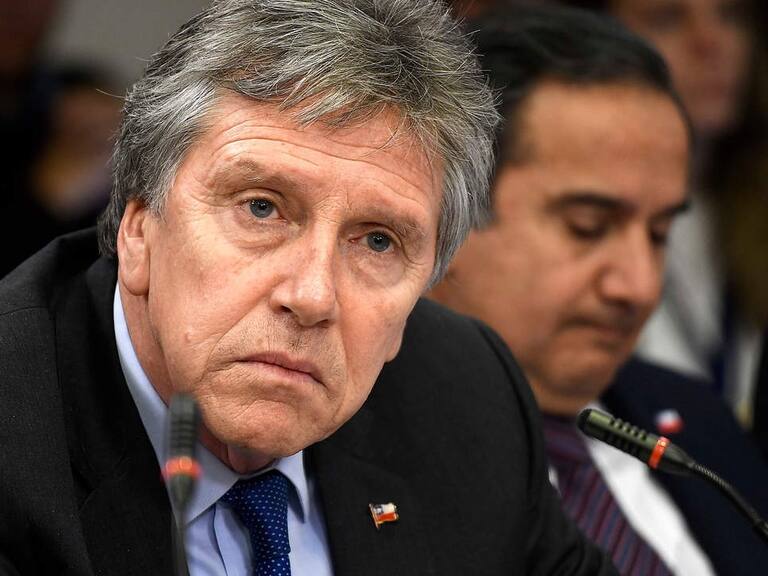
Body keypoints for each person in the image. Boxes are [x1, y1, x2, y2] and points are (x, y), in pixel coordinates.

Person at [0, 1, 616, 575]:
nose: (314, 296)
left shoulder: (465, 405)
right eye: (261, 208)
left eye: (378, 242)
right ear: (139, 231)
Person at [429, 5, 768, 575]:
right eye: (588, 227)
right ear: (450, 211)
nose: (639, 285)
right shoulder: (353, 456)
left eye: (659, 234)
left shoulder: (699, 421)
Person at [558, 0, 768, 443]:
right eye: (667, 19)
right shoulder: (564, 201)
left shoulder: (743, 205)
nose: (711, 43)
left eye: (731, 16)